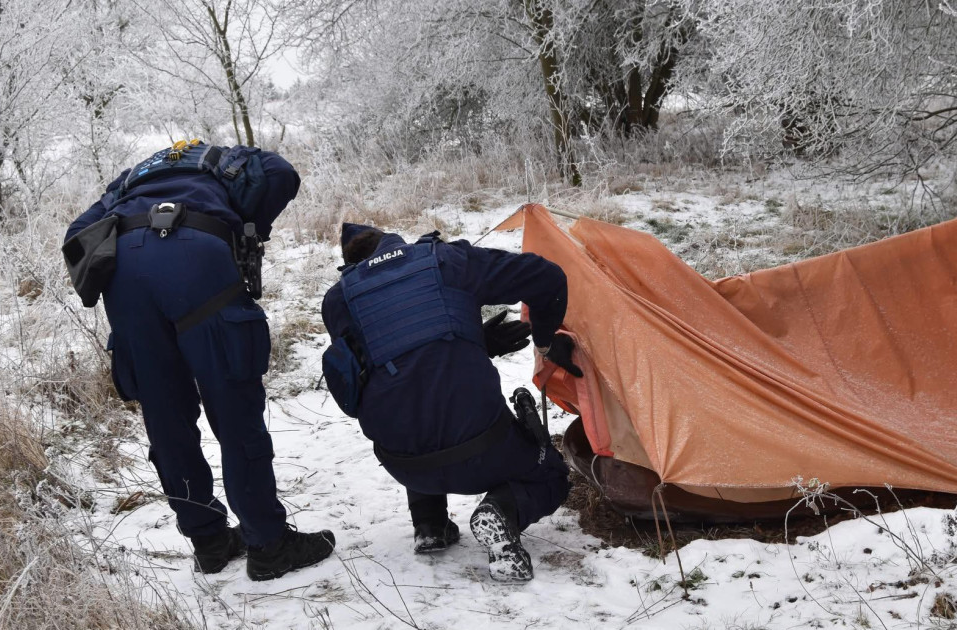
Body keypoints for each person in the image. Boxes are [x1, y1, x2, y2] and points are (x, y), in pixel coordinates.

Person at [64, 141, 335, 581]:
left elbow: (78, 231)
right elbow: (281, 173)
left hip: (126, 271)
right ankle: (268, 545)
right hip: (197, 253)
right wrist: (251, 227)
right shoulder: (222, 158)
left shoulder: (130, 180)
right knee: (233, 408)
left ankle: (208, 542)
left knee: (165, 417)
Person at [320, 223, 580, 582]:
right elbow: (547, 276)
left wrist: (474, 340)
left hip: (403, 464)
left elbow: (388, 364)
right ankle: (504, 510)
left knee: (404, 395)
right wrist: (545, 341)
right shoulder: (447, 261)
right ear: (395, 244)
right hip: (483, 451)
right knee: (551, 474)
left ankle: (430, 524)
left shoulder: (339, 300)